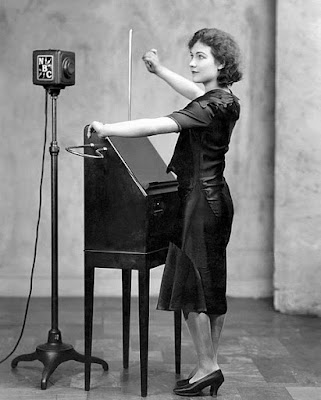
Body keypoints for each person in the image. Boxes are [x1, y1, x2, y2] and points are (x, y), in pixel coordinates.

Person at [89, 27, 242, 397]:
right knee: (211, 286)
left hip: (197, 206)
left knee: (192, 289)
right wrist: (159, 70)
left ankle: (209, 366)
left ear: (220, 63)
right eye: (191, 55)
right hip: (217, 200)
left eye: (200, 56)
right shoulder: (224, 100)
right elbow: (192, 92)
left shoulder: (206, 107)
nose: (191, 62)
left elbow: (157, 125)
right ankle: (209, 363)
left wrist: (106, 128)